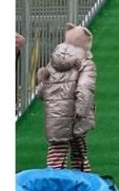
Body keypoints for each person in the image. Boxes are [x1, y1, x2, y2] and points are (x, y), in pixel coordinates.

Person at [36, 24, 96, 171]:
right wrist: (81, 111)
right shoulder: (85, 64)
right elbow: (84, 89)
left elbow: (41, 91)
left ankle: (53, 179)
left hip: (55, 115)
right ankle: (80, 179)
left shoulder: (53, 64)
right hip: (75, 115)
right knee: (79, 151)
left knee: (56, 151)